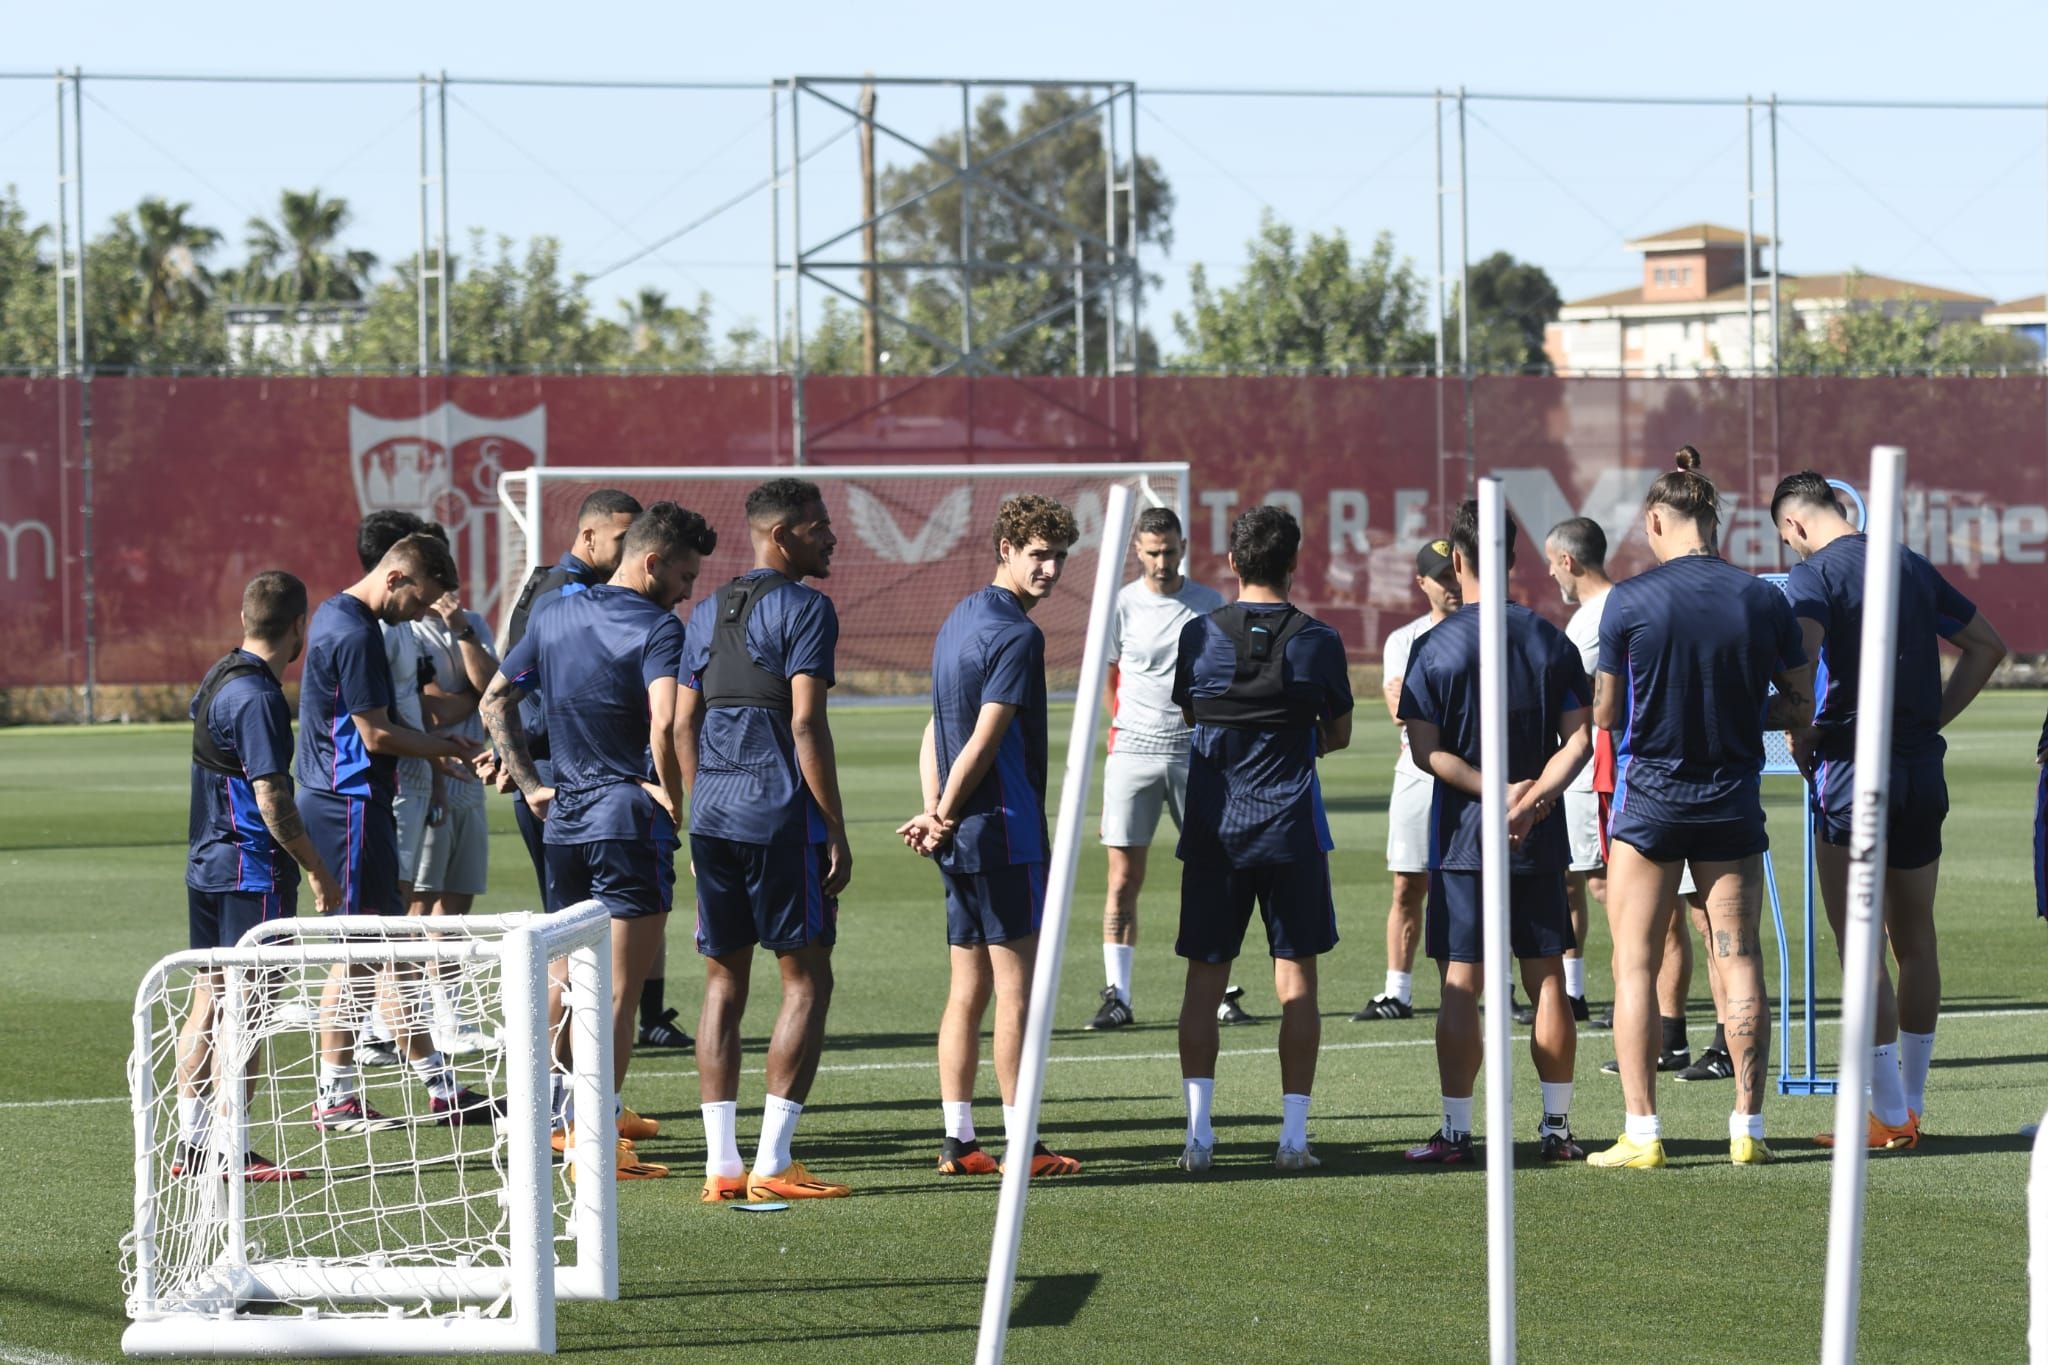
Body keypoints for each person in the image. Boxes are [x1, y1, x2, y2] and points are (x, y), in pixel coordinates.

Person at [1588, 447, 1811, 1169]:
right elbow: (1799, 701)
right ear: (1714, 519)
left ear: (1657, 518)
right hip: (1729, 799)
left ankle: (1642, 1132)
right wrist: (1745, 711)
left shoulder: (1628, 600)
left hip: (1651, 799)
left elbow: (1607, 712)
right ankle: (1747, 1124)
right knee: (1739, 955)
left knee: (1633, 963)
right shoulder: (1762, 598)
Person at [482, 501, 717, 1181]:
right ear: (651, 563)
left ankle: (554, 1117)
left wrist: (530, 783)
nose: (688, 588)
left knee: (561, 979)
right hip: (623, 819)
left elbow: (495, 698)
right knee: (615, 989)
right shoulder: (659, 628)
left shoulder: (554, 611)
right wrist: (673, 792)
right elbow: (670, 721)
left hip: (564, 822)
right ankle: (596, 1132)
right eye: (683, 573)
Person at [1773, 470, 2007, 1147]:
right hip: (1918, 765)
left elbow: (1800, 669)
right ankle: (1910, 1103)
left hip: (1853, 768)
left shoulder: (1813, 576)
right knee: (1916, 938)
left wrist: (1797, 721)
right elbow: (1989, 646)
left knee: (1859, 942)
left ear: (1794, 526)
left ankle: (1888, 1112)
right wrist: (1931, 717)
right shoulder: (1907, 561)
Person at [898, 494, 1085, 1180]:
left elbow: (933, 726)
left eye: (1059, 555)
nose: (1050, 568)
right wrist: (943, 809)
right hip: (1001, 832)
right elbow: (984, 731)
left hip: (960, 835)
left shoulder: (958, 619)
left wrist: (933, 809)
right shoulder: (1017, 634)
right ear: (1004, 550)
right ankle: (1024, 1144)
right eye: (1038, 553)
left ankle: (959, 1140)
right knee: (1016, 994)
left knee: (967, 989)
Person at [1399, 502, 1592, 1164]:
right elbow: (1582, 742)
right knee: (1546, 978)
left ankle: (1456, 1132)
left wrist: (1495, 792)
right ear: (1515, 558)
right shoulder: (1550, 639)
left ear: (1456, 559)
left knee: (1463, 977)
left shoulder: (1434, 645)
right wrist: (1531, 799)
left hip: (1465, 840)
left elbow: (1426, 751)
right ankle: (1557, 1128)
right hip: (1534, 836)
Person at [679, 479, 854, 1204]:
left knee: (723, 983)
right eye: (819, 528)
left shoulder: (703, 609)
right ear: (781, 536)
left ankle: (722, 1164)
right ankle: (774, 1159)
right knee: (807, 978)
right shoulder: (808, 608)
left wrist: (698, 806)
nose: (832, 538)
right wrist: (835, 826)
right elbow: (806, 723)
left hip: (713, 815)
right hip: (779, 817)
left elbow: (678, 724)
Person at [1170, 505, 1353, 1174]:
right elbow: (1338, 733)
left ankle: (1199, 1138)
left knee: (1202, 982)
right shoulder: (1319, 639)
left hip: (1216, 832)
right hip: (1290, 830)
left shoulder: (1200, 635)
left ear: (1233, 563)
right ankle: (1293, 1138)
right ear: (1293, 561)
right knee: (1297, 980)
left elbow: (1190, 712)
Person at [296, 532, 492, 1132]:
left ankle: (438, 1083)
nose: (417, 613)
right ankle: (334, 1093)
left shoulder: (339, 613)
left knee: (385, 945)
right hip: (346, 800)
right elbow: (376, 735)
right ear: (398, 577)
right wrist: (442, 751)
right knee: (358, 950)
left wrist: (437, 752)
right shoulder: (356, 632)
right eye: (419, 600)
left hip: (358, 798)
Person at [178, 570, 342, 1181]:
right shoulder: (259, 697)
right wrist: (318, 869)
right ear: (299, 626)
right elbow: (273, 800)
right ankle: (232, 1148)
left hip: (207, 864)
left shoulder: (220, 674)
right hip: (250, 870)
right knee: (248, 1010)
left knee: (210, 1000)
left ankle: (194, 1145)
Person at [1086, 506, 1227, 1032]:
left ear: (1183, 546)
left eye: (1169, 551)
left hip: (1194, 751)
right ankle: (1117, 994)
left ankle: (1221, 985)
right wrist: (1121, 723)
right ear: (1138, 552)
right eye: (1152, 552)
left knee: (1212, 870)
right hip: (1134, 755)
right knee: (1123, 877)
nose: (1161, 562)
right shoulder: (1120, 605)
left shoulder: (1210, 605)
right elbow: (1108, 674)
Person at [1354, 538, 1460, 1022]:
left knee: (1482, 884)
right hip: (1418, 773)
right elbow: (1402, 710)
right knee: (1408, 885)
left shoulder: (1488, 627)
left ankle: (1500, 986)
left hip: (1475, 772)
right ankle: (1398, 991)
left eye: (1454, 571)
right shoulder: (1405, 639)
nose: (1451, 584)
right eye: (1441, 577)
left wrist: (1431, 704)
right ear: (1422, 584)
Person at [408, 584, 501, 1055]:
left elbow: (492, 688)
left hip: (470, 782)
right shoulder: (404, 630)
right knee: (418, 906)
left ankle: (447, 1013)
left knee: (457, 904)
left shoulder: (472, 624)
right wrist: (468, 699)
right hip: (429, 780)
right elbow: (430, 708)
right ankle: (403, 1020)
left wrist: (462, 630)